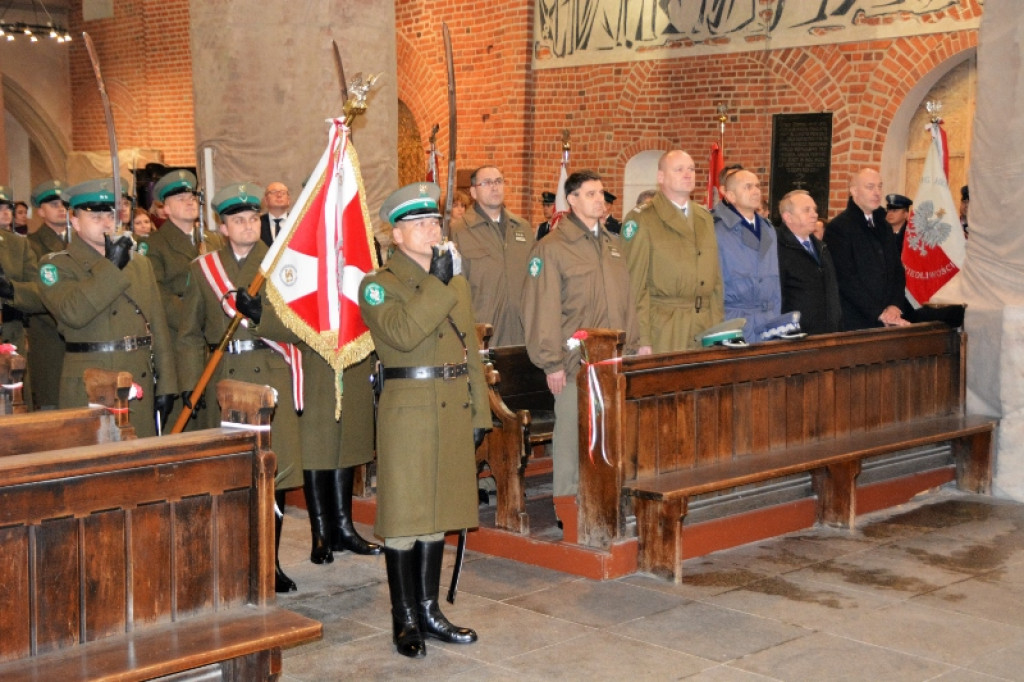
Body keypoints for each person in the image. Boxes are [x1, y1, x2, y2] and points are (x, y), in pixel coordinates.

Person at [358, 182, 488, 659]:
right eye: (419, 224)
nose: (432, 229)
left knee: (438, 514)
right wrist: (436, 281)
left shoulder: (452, 278)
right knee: (406, 518)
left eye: (434, 222)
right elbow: (404, 334)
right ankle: (405, 618)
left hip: (452, 404)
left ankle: (431, 611)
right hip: (408, 409)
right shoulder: (377, 285)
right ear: (396, 236)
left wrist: (479, 410)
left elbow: (469, 348)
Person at [177, 182, 303, 593]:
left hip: (270, 377)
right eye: (237, 220)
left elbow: (303, 328)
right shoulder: (203, 269)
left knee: (273, 473)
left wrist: (262, 316)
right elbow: (189, 334)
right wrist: (190, 384)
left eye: (252, 218)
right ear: (224, 227)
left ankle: (271, 561)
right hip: (223, 381)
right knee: (230, 474)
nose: (247, 226)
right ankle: (233, 559)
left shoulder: (283, 264)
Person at [522, 169, 640, 534]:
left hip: (613, 361)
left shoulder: (614, 245)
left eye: (601, 193)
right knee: (572, 436)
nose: (599, 200)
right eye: (590, 193)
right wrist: (551, 362)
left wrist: (633, 348)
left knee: (611, 435)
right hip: (574, 362)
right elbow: (540, 310)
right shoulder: (552, 248)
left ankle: (605, 498)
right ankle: (568, 505)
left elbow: (629, 304)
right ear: (571, 200)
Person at [37, 178, 177, 438]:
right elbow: (73, 313)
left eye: (111, 214)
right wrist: (111, 268)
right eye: (96, 215)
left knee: (139, 465)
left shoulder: (139, 263)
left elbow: (157, 323)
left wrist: (167, 382)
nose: (106, 221)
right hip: (91, 381)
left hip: (139, 375)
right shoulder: (56, 265)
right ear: (75, 221)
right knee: (92, 466)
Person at [621, 150, 724, 353]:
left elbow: (715, 281)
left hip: (704, 324)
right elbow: (634, 285)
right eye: (679, 170)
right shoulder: (643, 219)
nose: (688, 174)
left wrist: (717, 327)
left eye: (692, 169)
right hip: (664, 326)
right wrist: (642, 338)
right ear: (661, 177)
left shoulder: (704, 218)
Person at [450, 165, 535, 346]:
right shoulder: (460, 231)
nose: (494, 187)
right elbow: (455, 289)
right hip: (482, 336)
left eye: (498, 181)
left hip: (522, 335)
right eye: (487, 183)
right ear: (473, 191)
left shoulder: (522, 228)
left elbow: (535, 281)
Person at [145, 170, 224, 345]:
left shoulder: (213, 240)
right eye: (181, 199)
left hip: (217, 330)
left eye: (192, 198)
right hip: (181, 332)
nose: (189, 203)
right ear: (165, 208)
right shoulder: (155, 244)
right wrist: (194, 322)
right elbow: (157, 293)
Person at [824, 168, 910, 330]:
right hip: (856, 320)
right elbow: (845, 279)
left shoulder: (884, 225)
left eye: (879, 187)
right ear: (854, 191)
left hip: (890, 317)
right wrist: (878, 312)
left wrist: (894, 305)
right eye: (870, 187)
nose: (877, 193)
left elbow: (897, 269)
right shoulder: (839, 228)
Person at [712, 168, 781, 341]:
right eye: (748, 187)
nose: (756, 191)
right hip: (734, 321)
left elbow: (775, 284)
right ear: (730, 196)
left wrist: (777, 319)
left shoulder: (768, 228)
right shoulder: (716, 229)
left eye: (757, 186)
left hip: (768, 321)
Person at [26, 180, 70, 410]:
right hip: (50, 335)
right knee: (53, 403)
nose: (61, 208)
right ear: (41, 211)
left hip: (82, 333)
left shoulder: (79, 241)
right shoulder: (32, 245)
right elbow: (37, 292)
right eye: (54, 204)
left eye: (64, 204)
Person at [775, 190, 842, 335]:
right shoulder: (777, 247)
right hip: (795, 336)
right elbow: (777, 295)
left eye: (814, 210)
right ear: (788, 217)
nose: (815, 214)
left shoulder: (821, 247)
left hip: (827, 334)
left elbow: (832, 291)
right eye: (807, 210)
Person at [259, 181, 290, 246]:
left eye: (283, 193)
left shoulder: (298, 222)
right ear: (266, 200)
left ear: (288, 200)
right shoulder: (258, 223)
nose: (279, 195)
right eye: (273, 192)